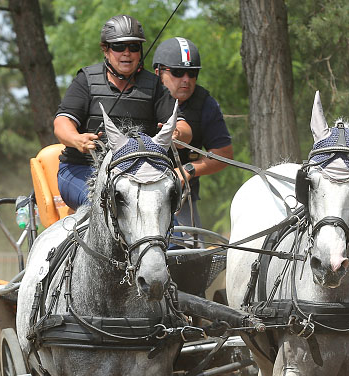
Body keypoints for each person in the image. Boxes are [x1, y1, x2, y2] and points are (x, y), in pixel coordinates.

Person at [53, 15, 192, 211]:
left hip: (140, 174)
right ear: (105, 49)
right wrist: (77, 139)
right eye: (119, 47)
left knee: (166, 224)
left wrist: (176, 133)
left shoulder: (154, 86)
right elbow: (62, 123)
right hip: (82, 170)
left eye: (134, 47)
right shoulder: (86, 80)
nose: (127, 53)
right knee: (107, 205)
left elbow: (184, 127)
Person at [152, 37, 234, 228]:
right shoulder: (141, 96)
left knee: (193, 255)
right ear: (158, 73)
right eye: (178, 72)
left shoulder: (206, 104)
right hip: (135, 197)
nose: (186, 80)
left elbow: (224, 155)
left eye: (192, 73)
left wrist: (188, 170)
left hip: (181, 200)